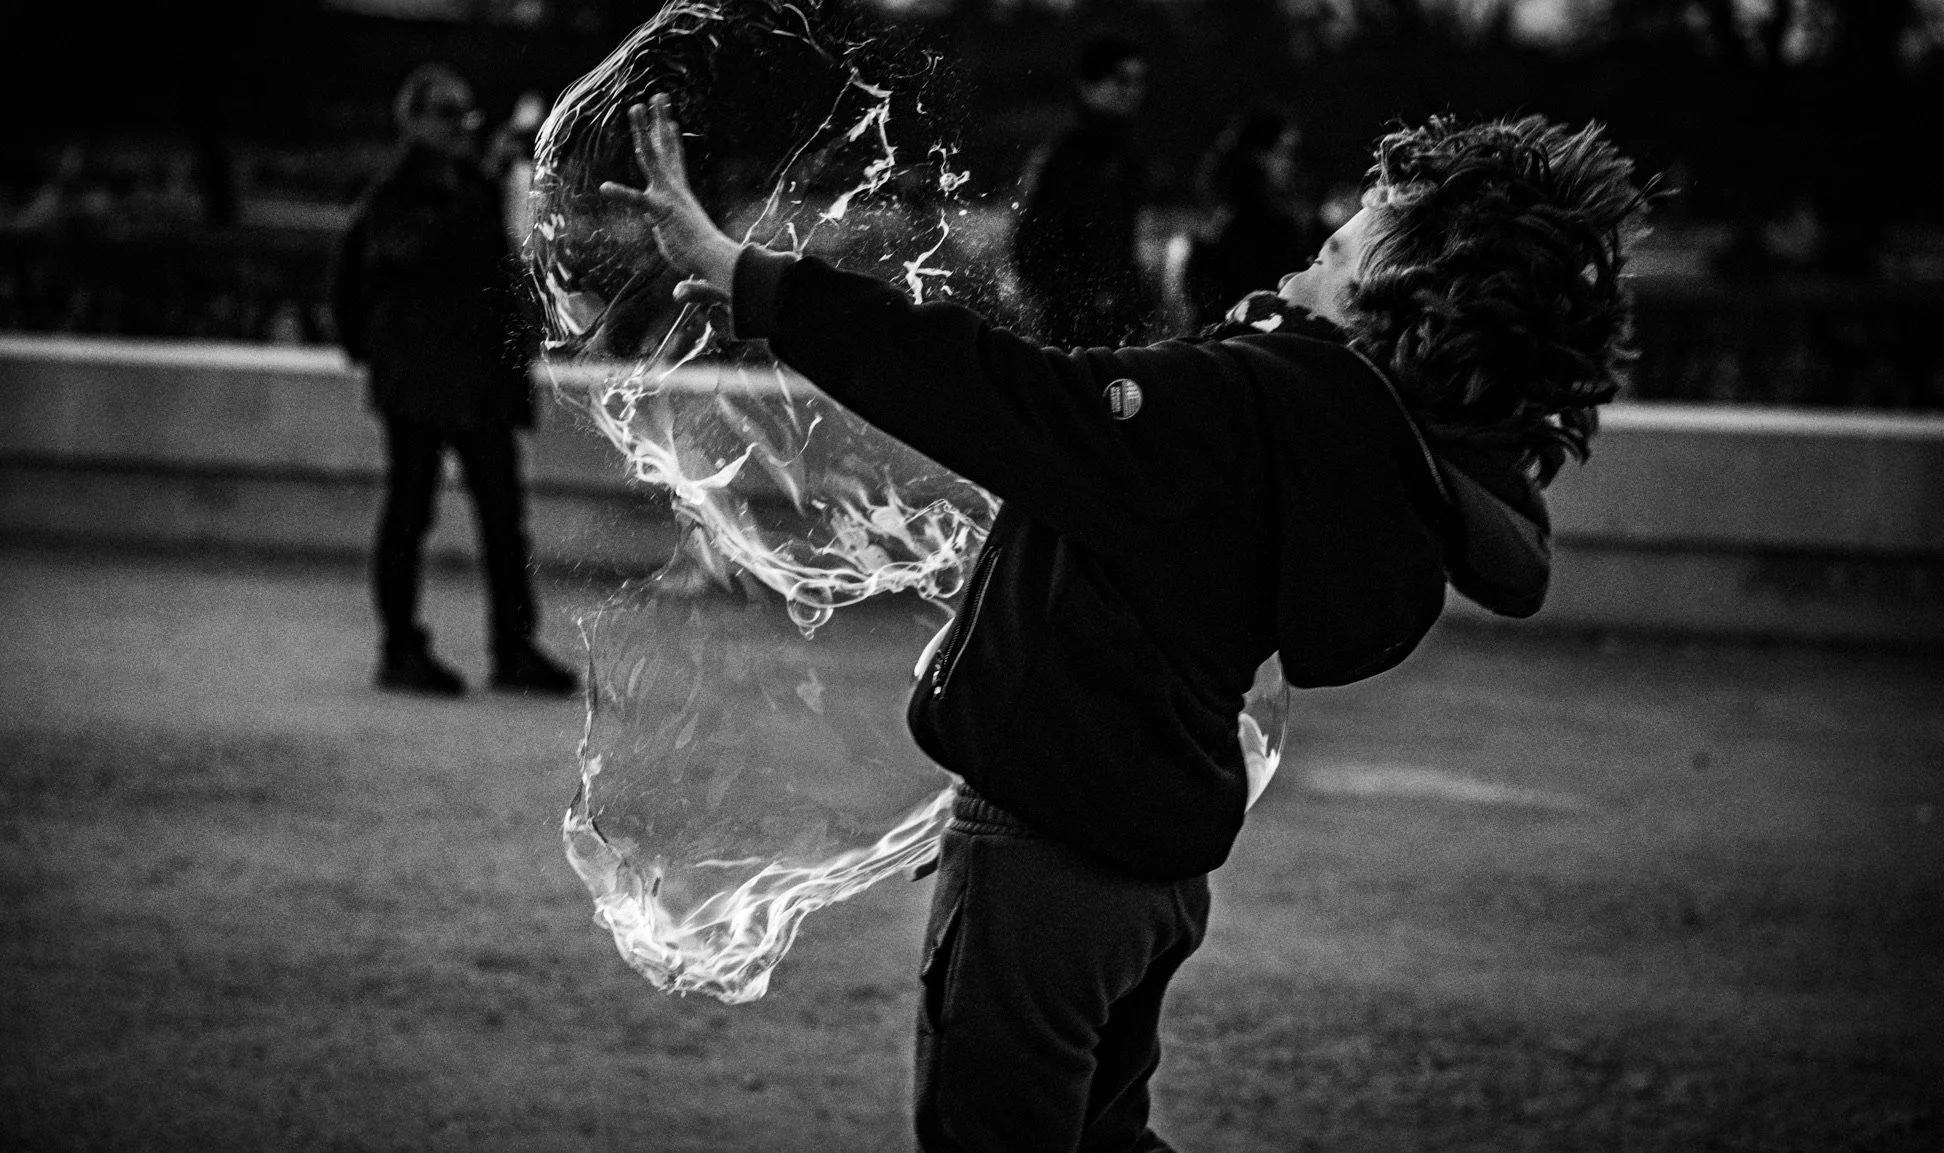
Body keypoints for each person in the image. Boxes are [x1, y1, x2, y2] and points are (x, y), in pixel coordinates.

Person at [604, 94, 1650, 1151]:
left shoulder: (1240, 405)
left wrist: (758, 281)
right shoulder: (1360, 469)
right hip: (1145, 873)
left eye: (1336, 247)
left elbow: (999, 395)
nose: (1304, 253)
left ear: (1395, 293)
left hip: (1047, 861)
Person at [332, 63, 578, 698]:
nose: (460, 126)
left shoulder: (467, 184)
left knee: (501, 520)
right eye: (446, 114)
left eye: (464, 114)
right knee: (412, 514)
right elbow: (417, 256)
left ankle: (513, 649)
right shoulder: (397, 194)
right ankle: (403, 649)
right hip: (423, 384)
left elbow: (497, 271)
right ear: (412, 122)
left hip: (472, 383)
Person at [1009, 36, 1157, 348]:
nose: (1134, 90)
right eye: (1121, 79)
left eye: (1140, 80)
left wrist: (1134, 295)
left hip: (1120, 331)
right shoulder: (1062, 157)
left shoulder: (1128, 156)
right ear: (1088, 86)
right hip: (1071, 337)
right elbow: (1028, 251)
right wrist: (1087, 300)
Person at [1174, 104, 1314, 333]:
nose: (1291, 164)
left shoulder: (1219, 214)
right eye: (1286, 151)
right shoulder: (1264, 225)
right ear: (1258, 155)